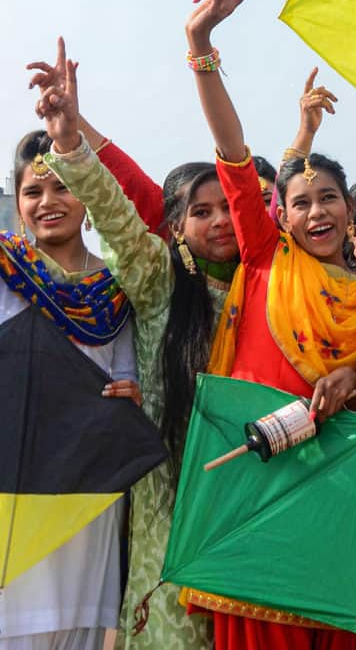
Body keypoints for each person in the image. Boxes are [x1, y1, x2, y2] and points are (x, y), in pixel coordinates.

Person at [184, 0, 356, 650]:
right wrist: (201, 46)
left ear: (350, 209)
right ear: (283, 215)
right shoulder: (265, 258)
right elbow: (233, 152)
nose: (316, 211)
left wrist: (351, 384)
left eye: (329, 197)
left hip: (330, 492)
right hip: (250, 477)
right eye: (300, 202)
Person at [32, 38, 236, 650]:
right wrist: (69, 142)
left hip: (247, 504)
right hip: (167, 512)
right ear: (177, 227)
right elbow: (116, 213)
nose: (220, 220)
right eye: (202, 211)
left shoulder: (270, 290)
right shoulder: (158, 279)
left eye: (230, 206)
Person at [0, 124, 137, 650]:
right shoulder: (6, 274)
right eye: (33, 191)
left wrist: (130, 395)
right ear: (18, 203)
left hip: (86, 496)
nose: (47, 202)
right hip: (15, 490)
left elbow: (126, 377)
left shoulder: (114, 290)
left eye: (62, 186)